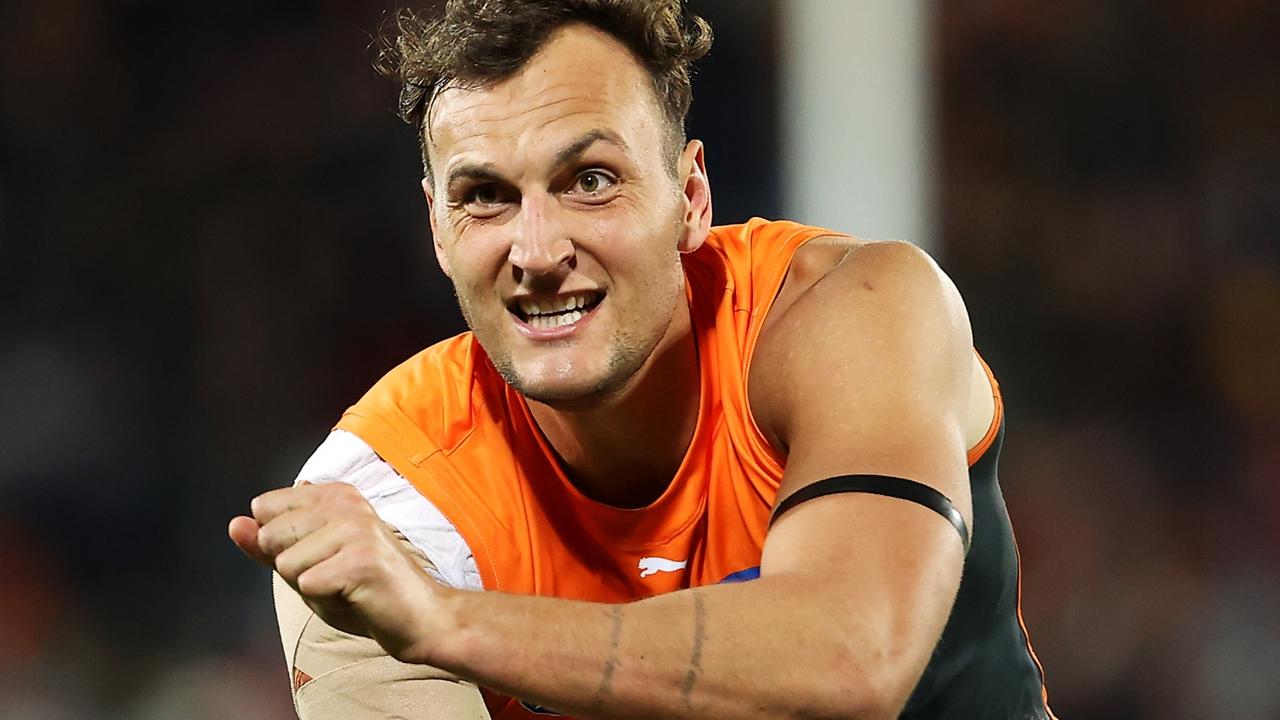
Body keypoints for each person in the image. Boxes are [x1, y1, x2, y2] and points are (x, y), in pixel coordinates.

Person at [228, 1, 1054, 718]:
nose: (539, 249)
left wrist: (450, 623)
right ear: (439, 231)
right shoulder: (384, 507)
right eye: (485, 196)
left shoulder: (856, 313)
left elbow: (851, 661)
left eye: (589, 180)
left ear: (691, 200)